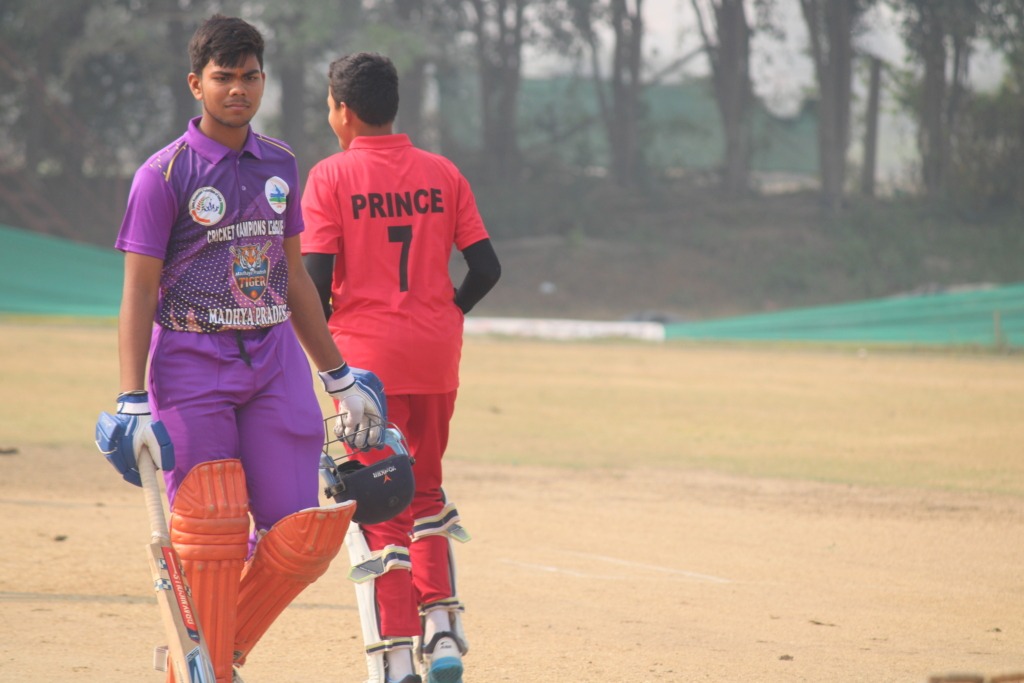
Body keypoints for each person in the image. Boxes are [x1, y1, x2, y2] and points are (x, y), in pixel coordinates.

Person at [93, 15, 385, 683]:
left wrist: (337, 374)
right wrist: (131, 396)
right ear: (196, 83)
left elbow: (295, 280)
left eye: (250, 77)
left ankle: (203, 661)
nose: (238, 90)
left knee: (304, 535)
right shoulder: (162, 174)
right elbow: (137, 292)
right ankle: (211, 667)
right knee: (213, 531)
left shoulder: (280, 162)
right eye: (223, 78)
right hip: (192, 364)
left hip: (274, 359)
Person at [301, 53, 501, 683]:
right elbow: (488, 268)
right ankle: (442, 631)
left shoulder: (330, 176)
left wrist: (337, 338)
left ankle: (394, 657)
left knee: (379, 503)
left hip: (364, 364)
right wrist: (447, 314)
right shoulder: (442, 172)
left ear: (342, 110)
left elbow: (313, 281)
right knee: (427, 490)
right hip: (435, 352)